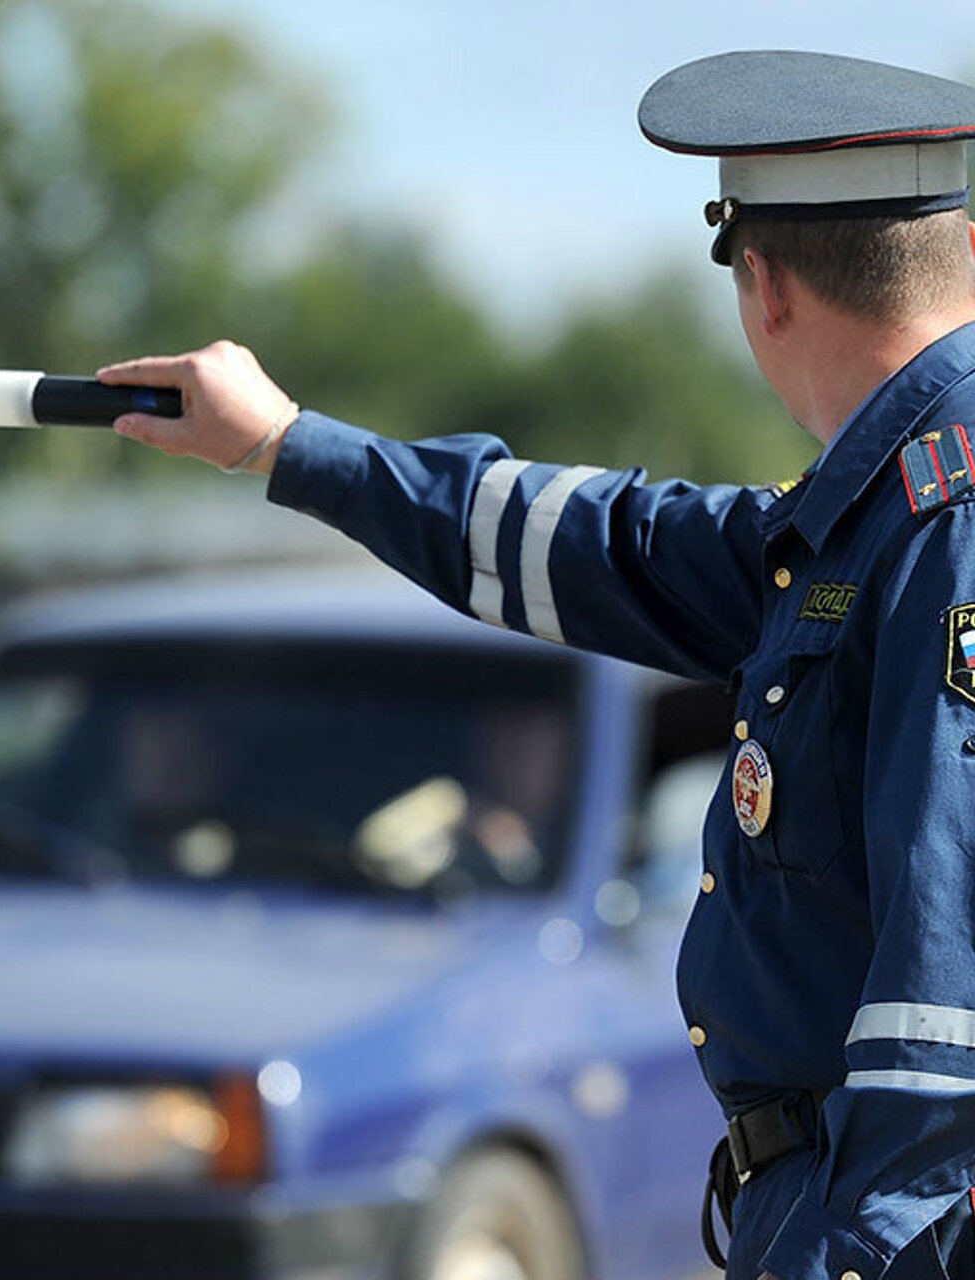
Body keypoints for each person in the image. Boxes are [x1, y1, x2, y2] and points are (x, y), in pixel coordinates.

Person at [96, 50, 975, 1280]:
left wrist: (851, 1251)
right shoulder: (868, 512)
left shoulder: (943, 511)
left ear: (761, 285)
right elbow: (602, 540)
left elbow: (948, 963)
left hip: (894, 1229)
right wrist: (291, 446)